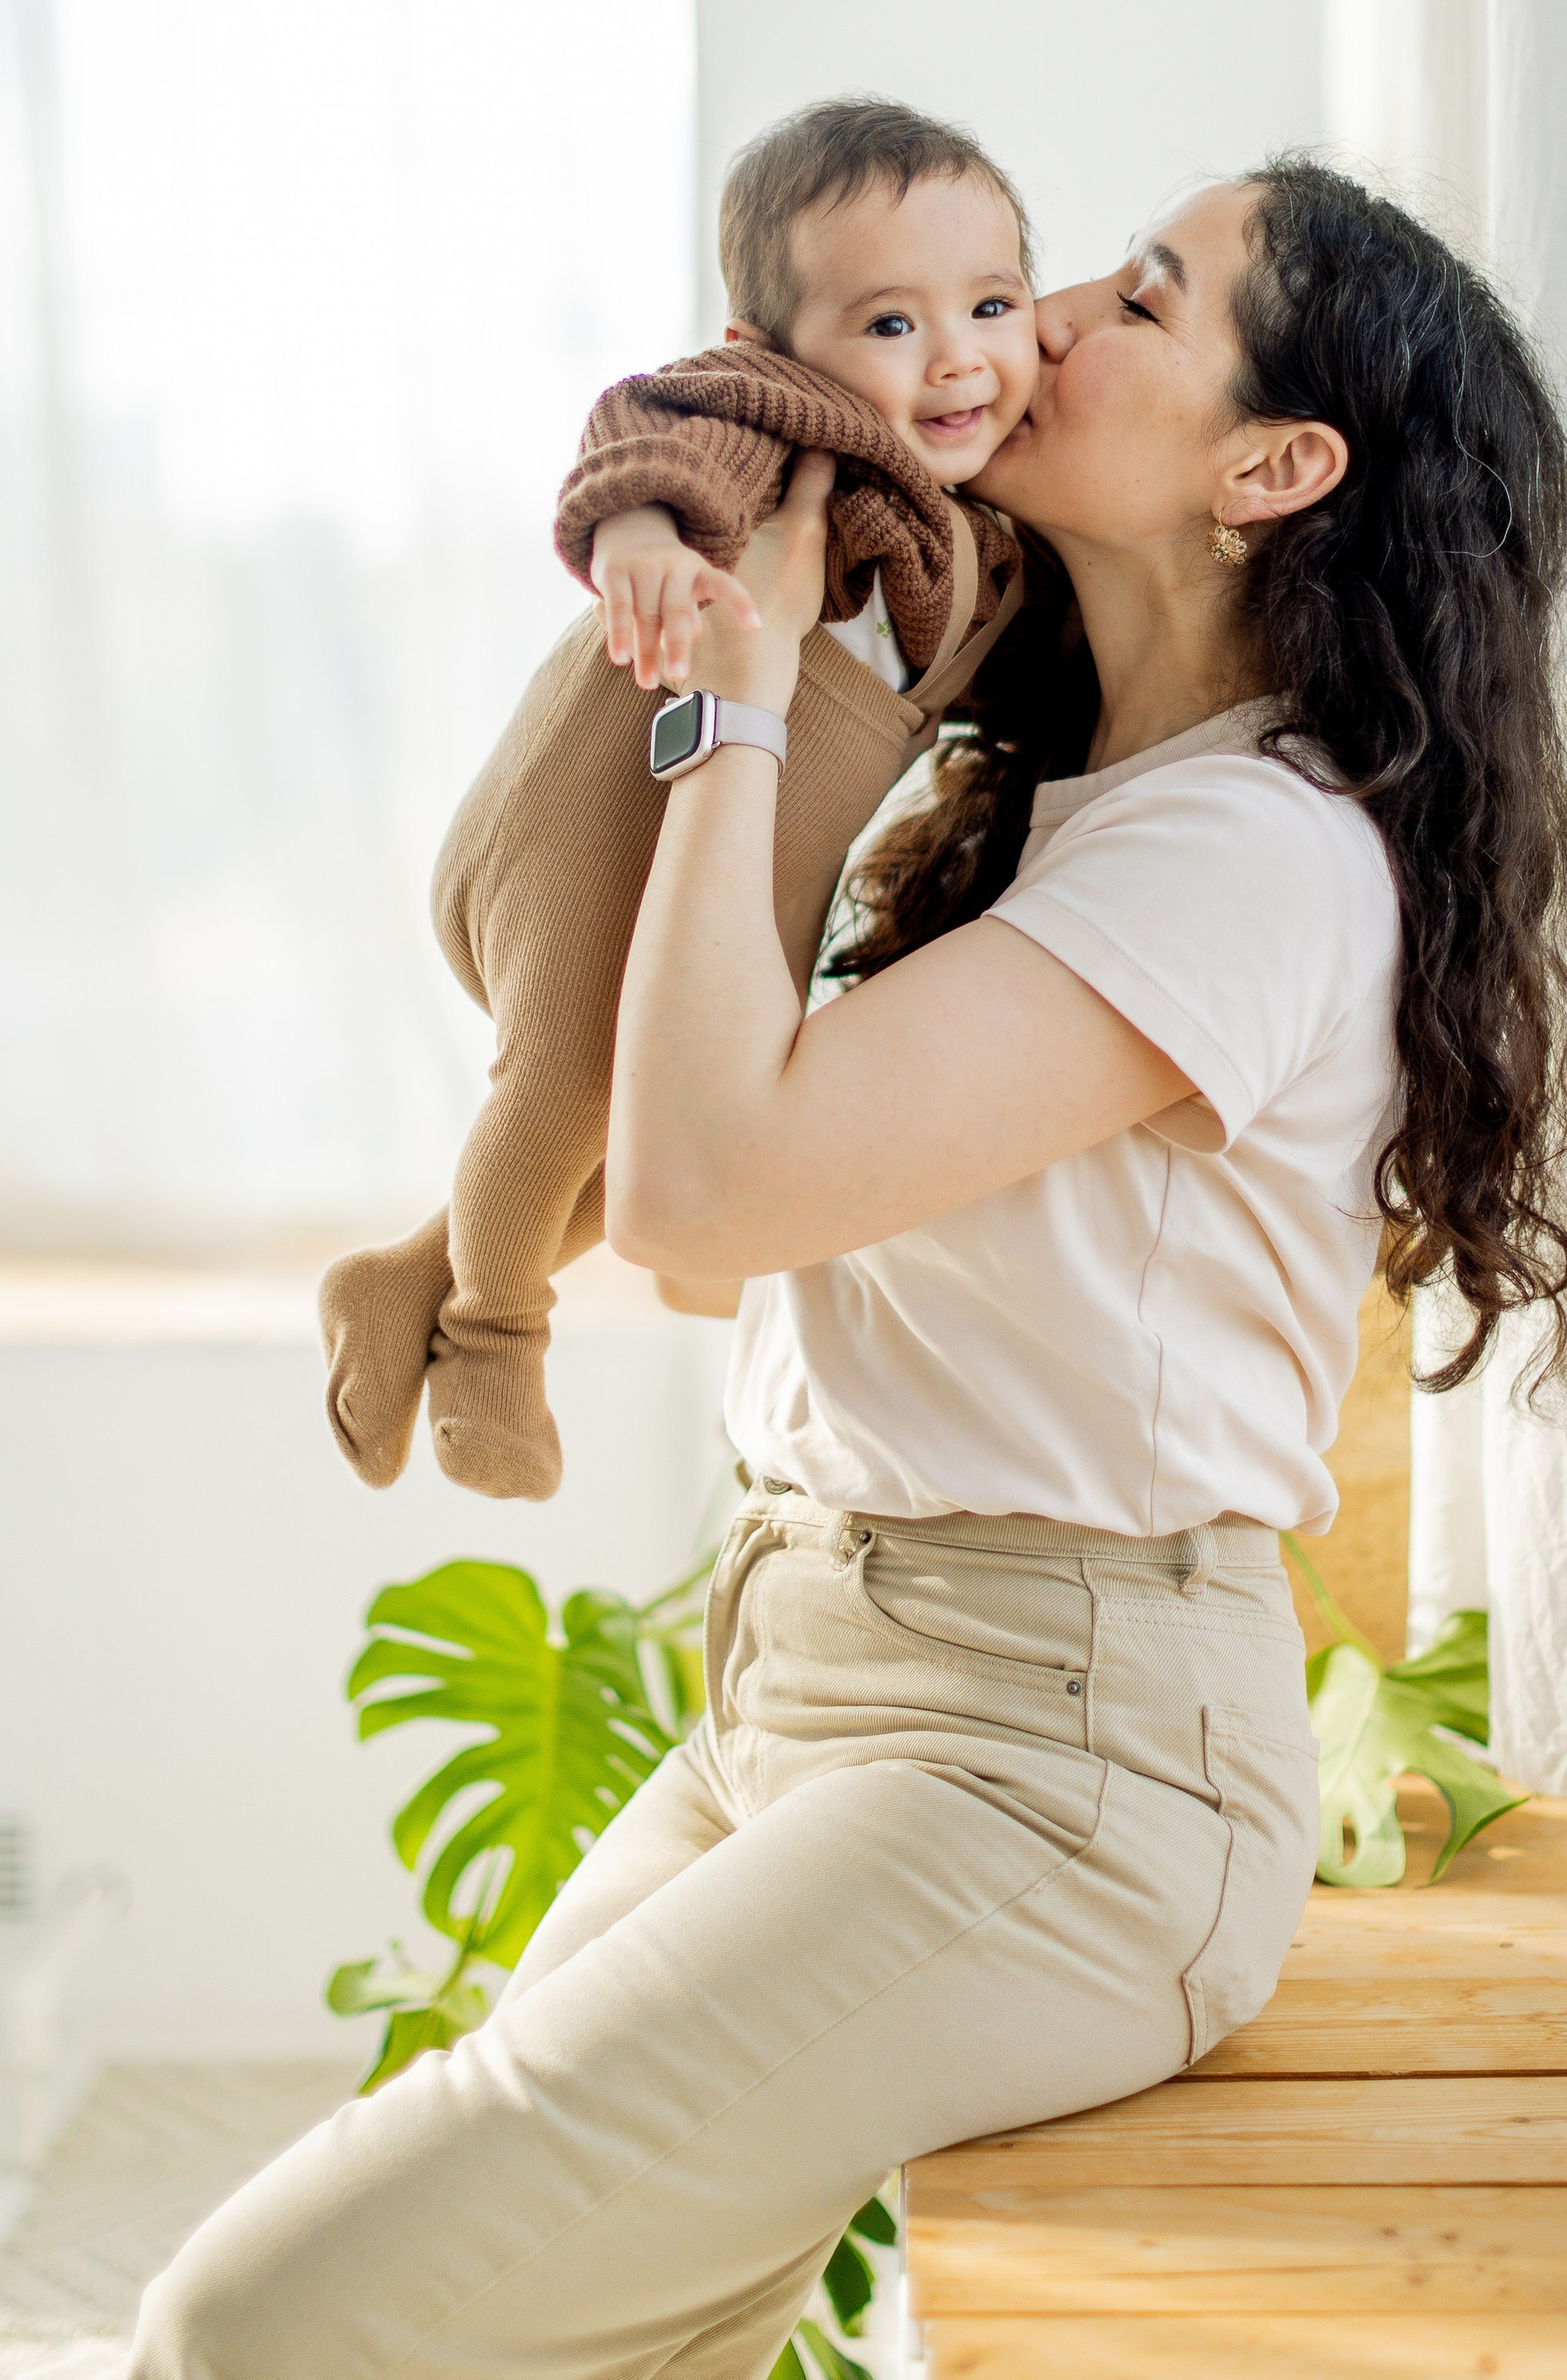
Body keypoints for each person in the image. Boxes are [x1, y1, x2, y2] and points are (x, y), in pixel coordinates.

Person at [134, 159, 1567, 2380]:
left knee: (257, 2328)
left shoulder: (1255, 849)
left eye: (1147, 295)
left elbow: (708, 1202)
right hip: (812, 1677)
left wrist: (720, 713)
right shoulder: (1044, 793)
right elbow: (761, 1250)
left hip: (1056, 1765)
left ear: (1273, 467)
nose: (1049, 326)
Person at [317, 99, 1034, 1504]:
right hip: (599, 807)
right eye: (890, 324)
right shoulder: (779, 429)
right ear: (773, 351)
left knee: (631, 1122)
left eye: (994, 303)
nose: (956, 355)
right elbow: (654, 441)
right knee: (572, 1077)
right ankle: (496, 1331)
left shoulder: (992, 524)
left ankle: (406, 1275)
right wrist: (642, 541)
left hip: (720, 861)